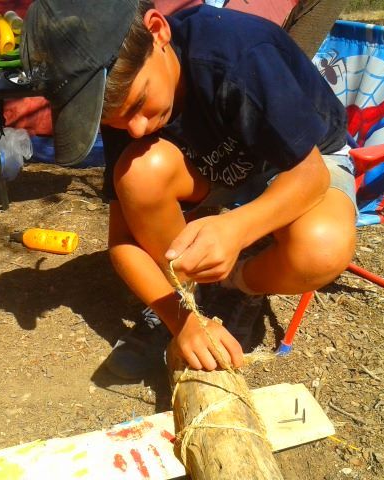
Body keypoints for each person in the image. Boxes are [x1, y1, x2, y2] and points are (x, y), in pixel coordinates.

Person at [21, 0, 356, 377]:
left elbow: (310, 175)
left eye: (140, 102)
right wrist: (181, 319)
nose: (137, 128)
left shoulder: (239, 52)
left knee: (321, 248)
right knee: (138, 172)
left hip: (302, 159)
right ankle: (190, 294)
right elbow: (122, 242)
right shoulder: (124, 101)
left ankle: (236, 285)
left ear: (157, 31)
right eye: (115, 121)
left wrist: (237, 229)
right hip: (217, 167)